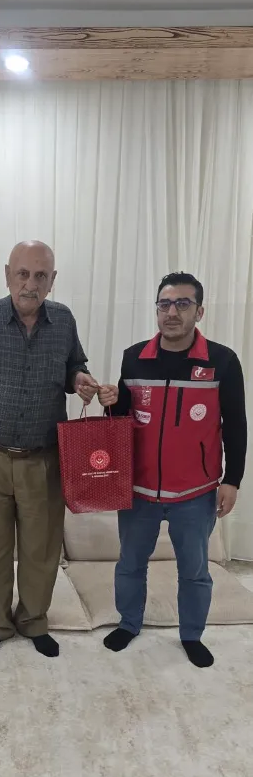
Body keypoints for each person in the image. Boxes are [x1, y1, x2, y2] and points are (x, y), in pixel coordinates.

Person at [0, 240, 117, 659]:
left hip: (44, 458)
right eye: (23, 273)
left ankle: (34, 620)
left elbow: (75, 365)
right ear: (8, 275)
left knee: (42, 547)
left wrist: (80, 379)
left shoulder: (64, 320)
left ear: (52, 280)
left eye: (40, 276)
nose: (30, 284)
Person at [101, 272, 247, 668]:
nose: (172, 312)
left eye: (183, 304)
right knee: (130, 564)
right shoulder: (134, 357)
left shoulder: (222, 361)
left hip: (195, 492)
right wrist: (110, 402)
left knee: (195, 571)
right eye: (164, 304)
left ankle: (191, 634)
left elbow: (235, 425)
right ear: (157, 310)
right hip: (139, 489)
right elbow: (121, 419)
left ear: (199, 311)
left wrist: (232, 480)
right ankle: (129, 623)